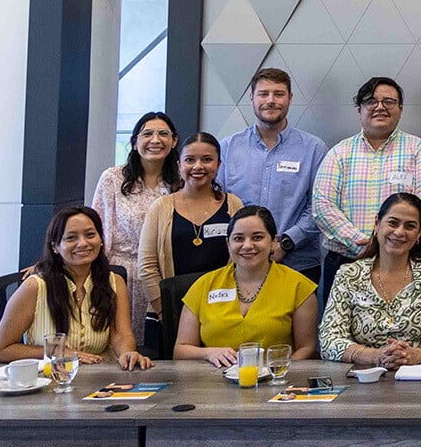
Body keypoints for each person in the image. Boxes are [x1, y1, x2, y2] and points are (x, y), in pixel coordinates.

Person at [313, 77, 421, 302]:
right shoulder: (339, 153)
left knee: (408, 334)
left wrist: (390, 243)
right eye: (371, 101)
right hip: (348, 261)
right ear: (359, 109)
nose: (380, 107)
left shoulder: (419, 150)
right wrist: (363, 243)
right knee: (341, 334)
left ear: (400, 109)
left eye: (389, 102)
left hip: (409, 263)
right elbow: (323, 206)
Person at [0, 207, 151, 369]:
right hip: (51, 379)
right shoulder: (34, 287)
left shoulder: (114, 281)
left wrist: (127, 352)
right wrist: (60, 351)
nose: (83, 243)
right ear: (55, 246)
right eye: (71, 238)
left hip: (100, 378)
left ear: (101, 239)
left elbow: (120, 334)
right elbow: (1, 349)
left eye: (90, 235)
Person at [318, 193, 421, 368]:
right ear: (377, 224)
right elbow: (328, 340)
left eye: (410, 226)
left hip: (420, 374)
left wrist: (418, 354)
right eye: (393, 223)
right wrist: (374, 356)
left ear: (418, 234)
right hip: (363, 376)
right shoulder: (349, 275)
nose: (400, 232)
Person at [217, 68, 329, 283]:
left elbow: (320, 207)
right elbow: (218, 204)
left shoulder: (314, 149)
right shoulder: (228, 148)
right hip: (239, 264)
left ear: (290, 98)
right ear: (251, 98)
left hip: (297, 265)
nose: (271, 100)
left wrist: (286, 243)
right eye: (263, 94)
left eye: (278, 94)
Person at [173, 206, 319, 367]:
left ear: (273, 242)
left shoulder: (299, 286)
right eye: (238, 238)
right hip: (213, 383)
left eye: (257, 237)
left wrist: (277, 372)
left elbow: (307, 348)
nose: (247, 245)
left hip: (277, 383)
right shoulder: (204, 285)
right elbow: (181, 350)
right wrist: (209, 353)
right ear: (228, 244)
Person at [90, 111, 181, 347]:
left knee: (158, 347)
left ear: (174, 141)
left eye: (163, 134)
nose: (155, 140)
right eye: (147, 134)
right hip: (122, 275)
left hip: (165, 275)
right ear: (134, 141)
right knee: (117, 344)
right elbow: (96, 226)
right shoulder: (113, 178)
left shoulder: (181, 181)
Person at [138, 133, 245, 323]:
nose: (198, 166)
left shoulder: (233, 205)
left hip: (222, 313)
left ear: (218, 164)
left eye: (207, 160)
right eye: (189, 160)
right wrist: (166, 312)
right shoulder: (161, 207)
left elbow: (242, 261)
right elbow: (147, 267)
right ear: (179, 165)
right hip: (168, 313)